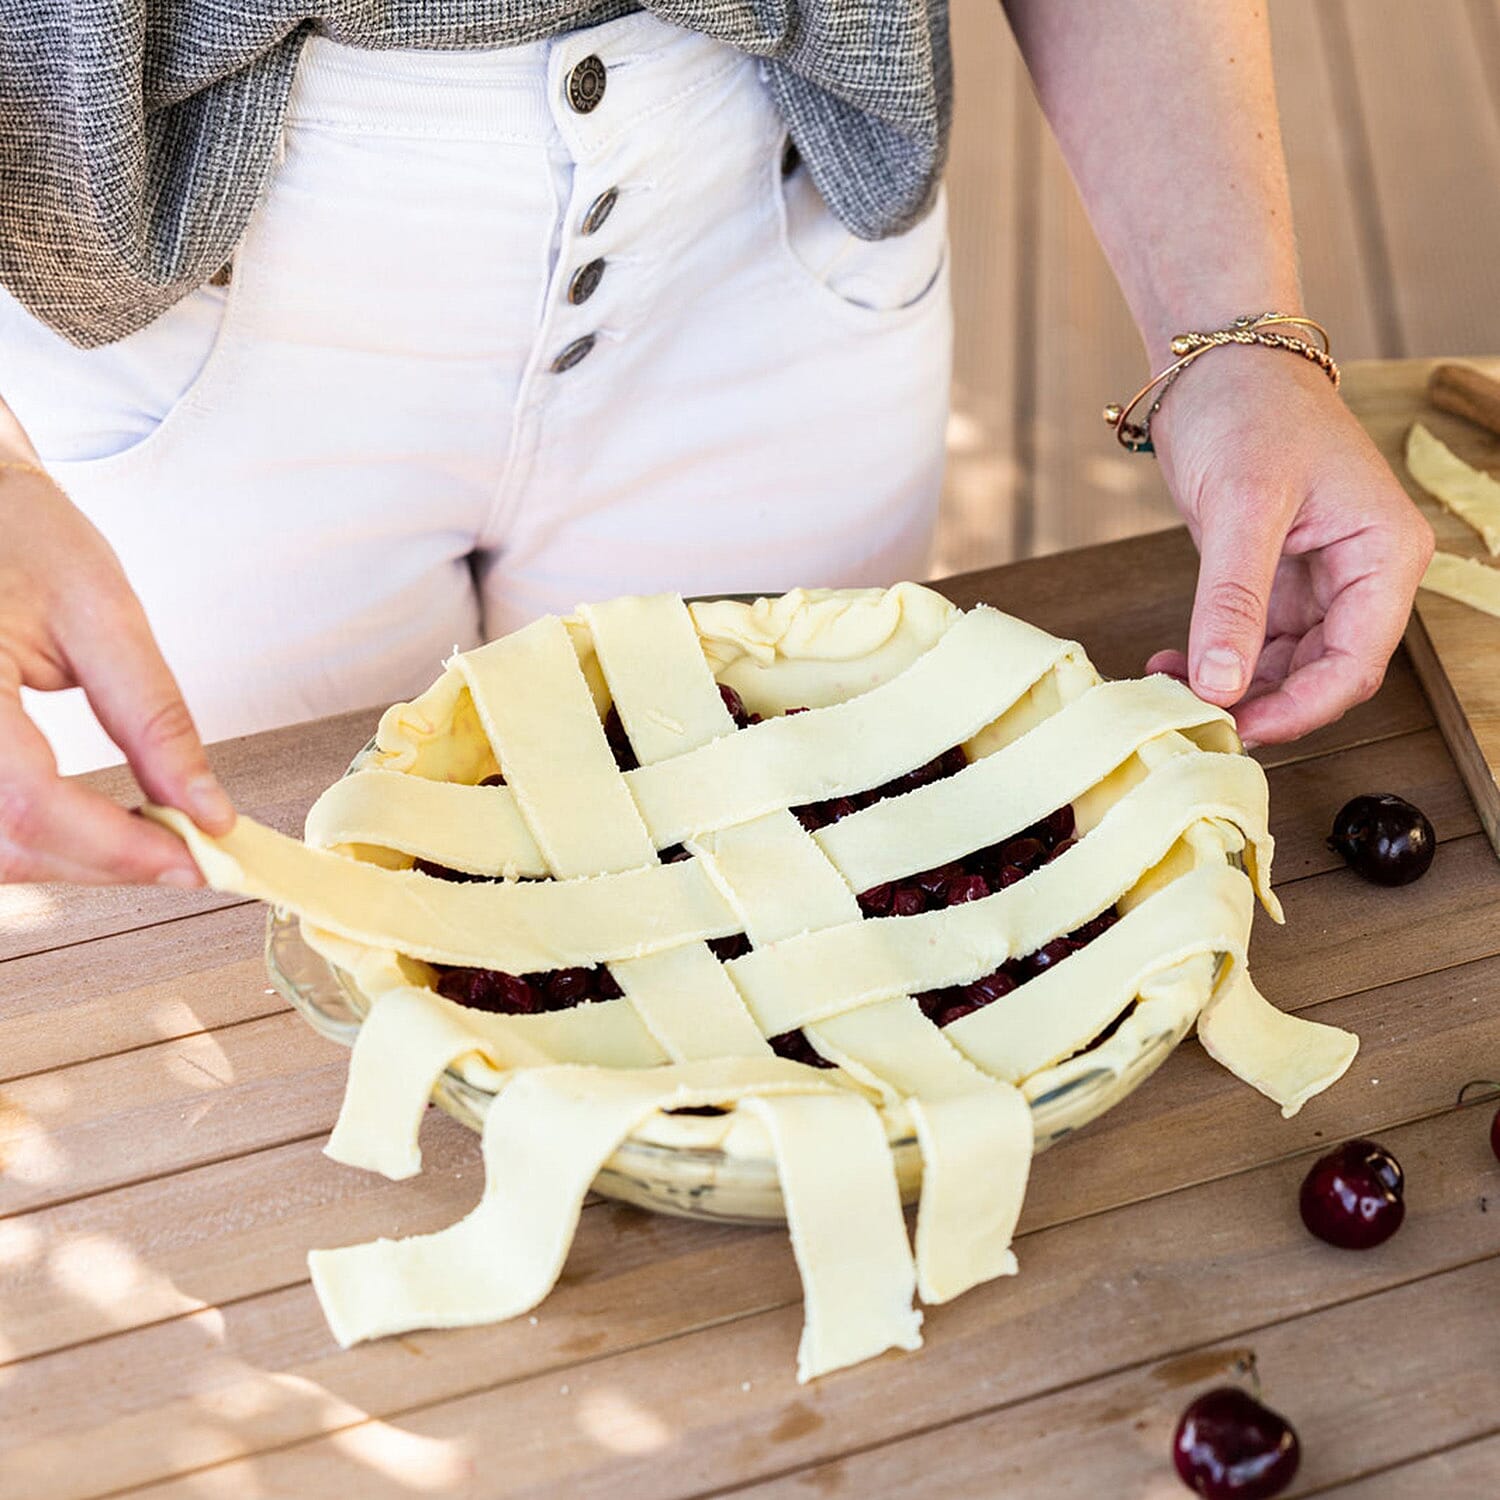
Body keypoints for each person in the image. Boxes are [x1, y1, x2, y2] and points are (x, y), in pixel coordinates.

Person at [0, 1, 1433, 889]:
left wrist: (1234, 331)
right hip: (165, 297)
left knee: (801, 925)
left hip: (769, 230)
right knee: (269, 996)